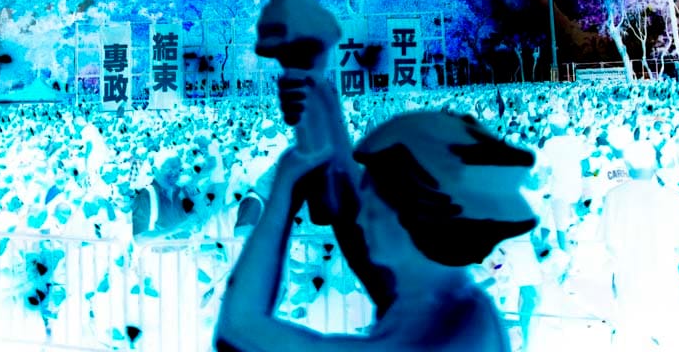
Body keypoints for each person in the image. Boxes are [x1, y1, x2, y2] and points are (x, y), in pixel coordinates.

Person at [215, 67, 542, 352]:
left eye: (376, 208)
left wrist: (286, 185)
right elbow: (351, 230)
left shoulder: (427, 334)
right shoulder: (463, 306)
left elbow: (240, 327)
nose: (364, 218)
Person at [601, 140, 679, 350]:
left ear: (628, 165)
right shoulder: (672, 196)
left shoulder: (614, 196)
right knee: (664, 334)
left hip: (629, 277)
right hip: (664, 277)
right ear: (654, 164)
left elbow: (609, 243)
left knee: (630, 336)